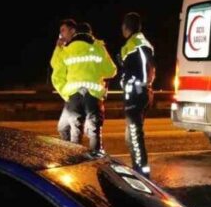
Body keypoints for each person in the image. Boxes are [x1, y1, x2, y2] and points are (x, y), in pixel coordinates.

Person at [50, 20, 117, 154]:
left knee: (75, 131)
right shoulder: (97, 46)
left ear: (75, 32)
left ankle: (74, 162)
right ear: (90, 34)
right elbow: (111, 71)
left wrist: (65, 92)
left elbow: (55, 68)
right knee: (94, 131)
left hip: (73, 95)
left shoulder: (67, 49)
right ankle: (96, 163)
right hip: (92, 94)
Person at [117, 12, 156, 176]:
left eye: (122, 26)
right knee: (131, 135)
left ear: (126, 27)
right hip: (141, 92)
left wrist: (129, 82)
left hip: (137, 94)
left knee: (134, 134)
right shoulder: (140, 42)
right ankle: (138, 167)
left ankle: (141, 171)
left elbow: (142, 70)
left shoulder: (136, 44)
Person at [51, 19, 81, 143]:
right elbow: (55, 64)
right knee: (63, 128)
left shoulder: (77, 47)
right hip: (69, 94)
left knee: (75, 129)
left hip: (78, 93)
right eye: (60, 31)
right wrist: (58, 48)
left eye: (63, 30)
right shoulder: (66, 48)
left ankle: (76, 156)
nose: (61, 34)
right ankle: (69, 153)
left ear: (72, 31)